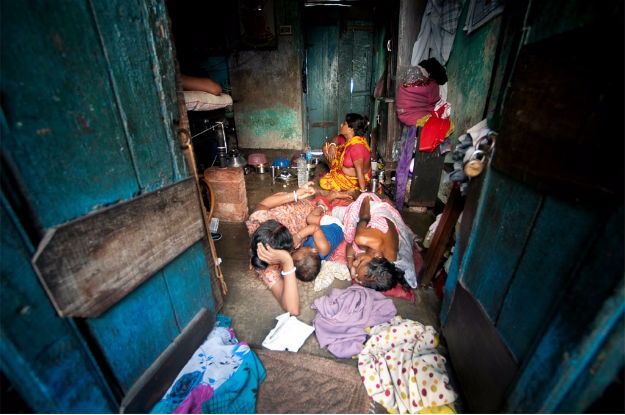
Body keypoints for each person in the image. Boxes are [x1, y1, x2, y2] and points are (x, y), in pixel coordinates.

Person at [246, 182, 351, 315]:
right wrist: (287, 262)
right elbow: (293, 309)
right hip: (312, 214)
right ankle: (324, 199)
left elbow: (262, 205)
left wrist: (294, 195)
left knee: (313, 195)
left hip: (303, 207)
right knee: (319, 202)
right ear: (289, 250)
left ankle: (323, 198)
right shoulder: (269, 269)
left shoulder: (259, 221)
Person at [331, 192, 418, 292]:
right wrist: (365, 199)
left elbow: (352, 248)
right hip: (371, 209)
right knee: (333, 213)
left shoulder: (388, 262)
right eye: (360, 262)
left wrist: (351, 266)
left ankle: (355, 196)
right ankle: (355, 194)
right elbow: (364, 216)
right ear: (378, 257)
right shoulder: (362, 238)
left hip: (386, 218)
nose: (356, 262)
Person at [290, 200, 345, 282]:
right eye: (299, 250)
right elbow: (314, 228)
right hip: (334, 225)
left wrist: (299, 237)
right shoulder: (323, 248)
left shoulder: (312, 254)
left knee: (309, 219)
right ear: (314, 250)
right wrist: (298, 236)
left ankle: (321, 206)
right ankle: (321, 206)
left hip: (327, 229)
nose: (298, 248)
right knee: (310, 219)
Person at [319, 113, 372, 193]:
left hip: (355, 179)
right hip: (345, 173)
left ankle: (348, 186)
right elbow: (335, 139)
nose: (341, 125)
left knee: (323, 182)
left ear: (351, 129)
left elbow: (360, 172)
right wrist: (332, 146)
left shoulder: (356, 146)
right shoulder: (347, 138)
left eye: (344, 124)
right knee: (326, 148)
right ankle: (335, 174)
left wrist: (363, 192)